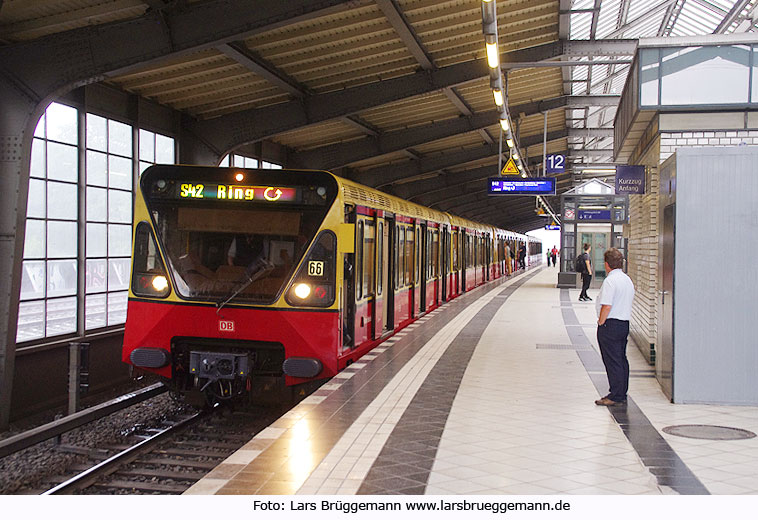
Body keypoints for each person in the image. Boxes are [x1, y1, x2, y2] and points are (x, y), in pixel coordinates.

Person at [594, 248, 635, 406]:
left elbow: (606, 306)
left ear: (606, 264)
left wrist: (601, 322)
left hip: (610, 324)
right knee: (621, 359)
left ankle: (615, 395)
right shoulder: (627, 280)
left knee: (612, 360)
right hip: (624, 324)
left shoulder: (610, 281)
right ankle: (622, 392)